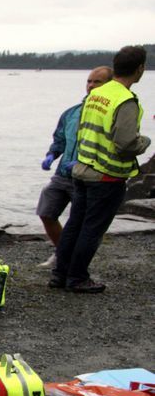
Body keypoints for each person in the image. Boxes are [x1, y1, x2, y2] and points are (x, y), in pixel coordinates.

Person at [52, 45, 151, 293]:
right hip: (107, 175)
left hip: (83, 168)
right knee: (92, 229)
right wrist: (145, 142)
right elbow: (125, 142)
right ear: (140, 69)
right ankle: (77, 277)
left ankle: (59, 274)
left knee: (75, 223)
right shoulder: (125, 100)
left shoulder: (96, 94)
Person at [36, 66, 114, 267]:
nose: (91, 85)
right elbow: (60, 139)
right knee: (46, 211)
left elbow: (110, 146)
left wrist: (85, 163)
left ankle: (74, 264)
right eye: (89, 81)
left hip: (88, 176)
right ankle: (62, 254)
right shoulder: (71, 113)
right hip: (63, 174)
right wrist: (51, 155)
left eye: (98, 82)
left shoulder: (110, 113)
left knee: (79, 223)